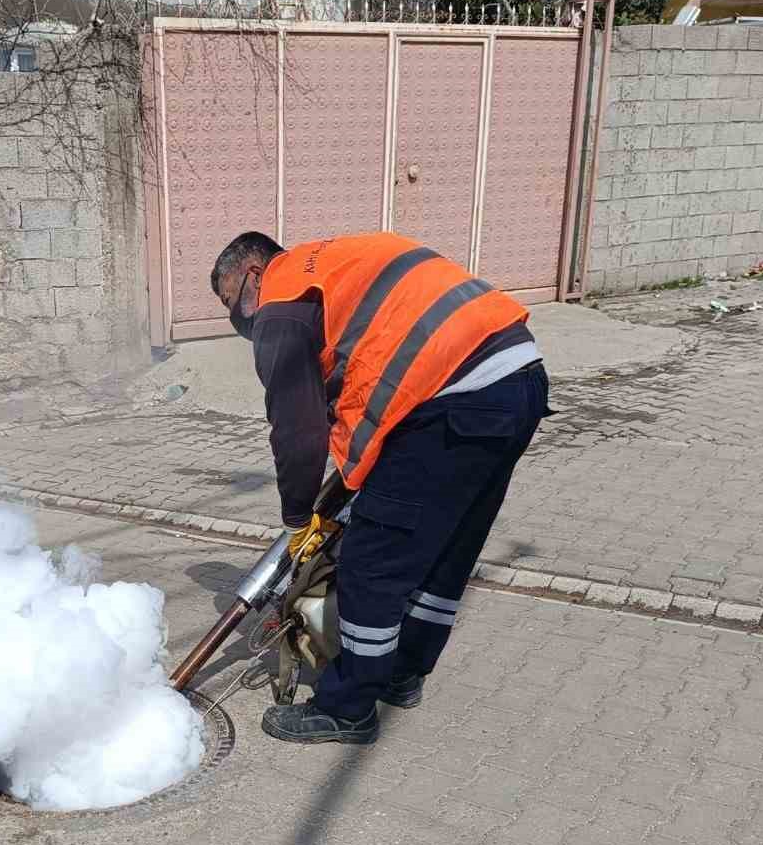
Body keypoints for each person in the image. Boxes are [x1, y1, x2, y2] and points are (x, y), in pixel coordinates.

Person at [211, 230, 550, 745]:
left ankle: (348, 708)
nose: (237, 317)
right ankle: (403, 671)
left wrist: (299, 518)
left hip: (451, 396)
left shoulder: (280, 302)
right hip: (517, 378)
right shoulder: (328, 267)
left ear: (255, 273)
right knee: (445, 546)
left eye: (231, 300)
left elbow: (298, 430)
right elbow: (356, 378)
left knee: (372, 561)